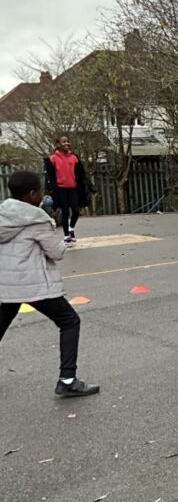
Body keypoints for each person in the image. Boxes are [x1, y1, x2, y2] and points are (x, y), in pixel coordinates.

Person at [0, 171, 99, 397]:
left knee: (2, 321)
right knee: (69, 321)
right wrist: (60, 236)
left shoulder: (3, 215)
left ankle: (68, 380)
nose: (43, 195)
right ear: (31, 194)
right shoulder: (37, 219)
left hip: (7, 283)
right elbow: (56, 252)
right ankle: (67, 380)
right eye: (40, 191)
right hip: (32, 283)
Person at [44, 135, 93, 245]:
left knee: (75, 211)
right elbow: (49, 177)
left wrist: (88, 186)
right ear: (58, 145)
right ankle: (67, 237)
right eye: (64, 142)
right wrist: (48, 191)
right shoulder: (53, 158)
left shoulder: (74, 158)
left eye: (67, 141)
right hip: (60, 189)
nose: (67, 143)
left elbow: (81, 174)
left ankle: (71, 229)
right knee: (65, 213)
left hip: (72, 188)